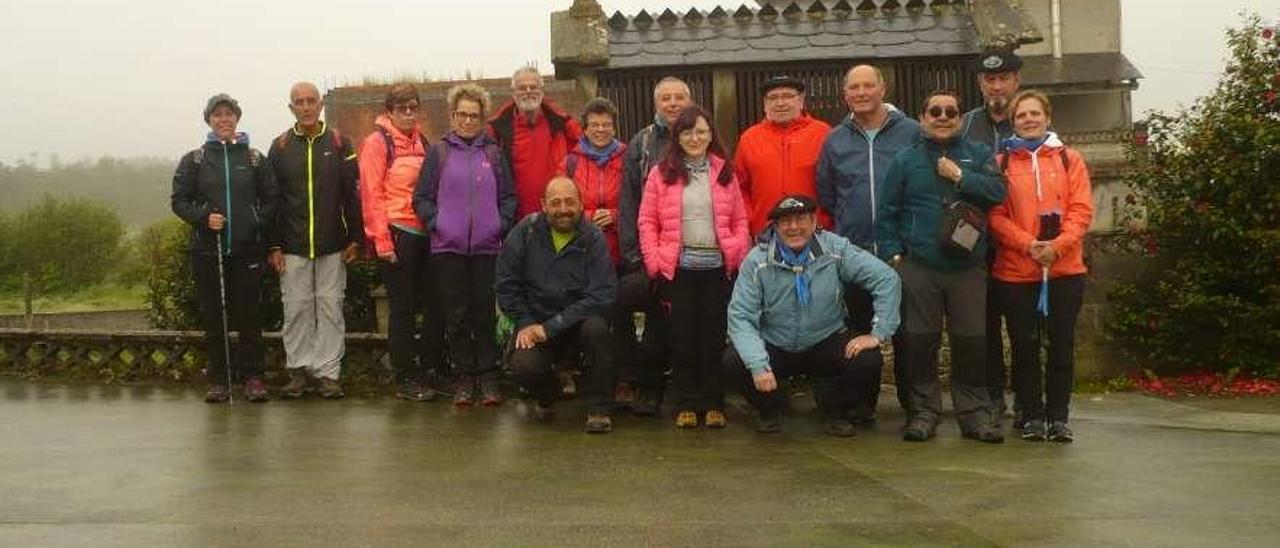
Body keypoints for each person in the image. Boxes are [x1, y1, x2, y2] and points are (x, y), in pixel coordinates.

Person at [876, 89, 1007, 443]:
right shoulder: (905, 160)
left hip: (967, 267)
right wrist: (895, 256)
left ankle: (973, 413)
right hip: (920, 267)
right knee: (920, 342)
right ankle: (923, 412)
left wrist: (961, 178)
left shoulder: (978, 155)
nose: (943, 116)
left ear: (961, 118)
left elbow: (998, 193)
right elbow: (887, 213)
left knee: (971, 342)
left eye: (951, 111)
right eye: (935, 110)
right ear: (922, 118)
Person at [726, 195, 901, 436]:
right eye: (785, 222)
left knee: (867, 359)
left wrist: (878, 333)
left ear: (814, 221)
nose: (794, 227)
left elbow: (886, 278)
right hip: (777, 342)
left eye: (801, 219)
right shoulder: (757, 261)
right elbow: (741, 317)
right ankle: (769, 408)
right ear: (775, 227)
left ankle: (836, 409)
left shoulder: (835, 249)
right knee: (735, 361)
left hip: (825, 337)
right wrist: (758, 365)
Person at [815, 64, 921, 418]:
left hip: (902, 252)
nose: (861, 93)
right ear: (845, 94)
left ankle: (915, 406)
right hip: (855, 253)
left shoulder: (912, 133)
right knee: (860, 332)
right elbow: (827, 196)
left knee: (909, 334)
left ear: (882, 89)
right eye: (854, 88)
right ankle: (863, 404)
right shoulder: (835, 140)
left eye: (868, 86)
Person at [989, 91, 1093, 443]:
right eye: (1022, 115)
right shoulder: (1001, 162)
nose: (1029, 119)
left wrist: (1057, 247)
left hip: (1064, 271)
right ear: (1013, 120)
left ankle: (1059, 416)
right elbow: (997, 216)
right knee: (1024, 346)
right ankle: (1031, 414)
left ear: (1047, 117)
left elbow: (1081, 210)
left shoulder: (1070, 160)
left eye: (1035, 113)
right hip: (1017, 272)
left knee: (1061, 345)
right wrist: (1028, 245)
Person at [638, 105, 750, 429]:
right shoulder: (661, 173)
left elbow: (740, 219)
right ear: (677, 136)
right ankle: (686, 401)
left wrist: (738, 250)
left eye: (701, 131)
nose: (694, 137)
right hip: (678, 269)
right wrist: (654, 262)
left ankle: (713, 402)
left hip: (717, 267)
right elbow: (647, 221)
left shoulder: (724, 171)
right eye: (687, 132)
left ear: (711, 134)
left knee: (713, 338)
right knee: (683, 338)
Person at [171, 93, 278, 403]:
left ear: (237, 118)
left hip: (248, 251)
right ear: (209, 120)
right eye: (217, 115)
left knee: (249, 317)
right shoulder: (195, 160)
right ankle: (218, 379)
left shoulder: (255, 158)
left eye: (229, 114)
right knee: (214, 317)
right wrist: (204, 217)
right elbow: (179, 201)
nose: (223, 119)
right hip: (208, 251)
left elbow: (272, 200)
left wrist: (255, 218)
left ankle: (254, 378)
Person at [414, 83, 516, 407]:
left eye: (474, 115)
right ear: (453, 115)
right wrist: (437, 223)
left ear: (483, 117)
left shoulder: (494, 153)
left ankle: (488, 377)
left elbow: (509, 198)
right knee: (455, 316)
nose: (468, 121)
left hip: (486, 248)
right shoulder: (439, 152)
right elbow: (422, 197)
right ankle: (463, 377)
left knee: (484, 314)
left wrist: (499, 225)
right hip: (448, 249)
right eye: (462, 114)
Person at [497, 177, 618, 432]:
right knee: (523, 365)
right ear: (543, 205)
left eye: (570, 202)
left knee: (597, 330)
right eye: (556, 203)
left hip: (579, 323)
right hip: (536, 322)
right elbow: (506, 286)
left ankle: (599, 409)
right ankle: (548, 394)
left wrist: (552, 327)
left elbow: (602, 293)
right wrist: (526, 323)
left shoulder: (593, 237)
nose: (563, 209)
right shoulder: (525, 232)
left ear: (581, 204)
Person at [266, 82, 362, 400]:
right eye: (299, 102)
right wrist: (274, 245)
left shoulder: (339, 143)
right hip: (292, 247)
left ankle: (328, 374)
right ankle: (299, 371)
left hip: (333, 245)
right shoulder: (279, 147)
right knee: (295, 310)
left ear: (321, 105)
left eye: (311, 101)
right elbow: (271, 201)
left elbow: (352, 196)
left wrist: (355, 238)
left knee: (331, 308)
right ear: (290, 107)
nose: (306, 107)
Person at [358, 83, 446, 402]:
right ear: (389, 111)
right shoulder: (377, 142)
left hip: (426, 233)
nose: (408, 113)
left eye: (413, 107)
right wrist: (382, 241)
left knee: (436, 304)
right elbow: (370, 193)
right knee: (403, 309)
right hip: (396, 233)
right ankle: (406, 375)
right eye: (401, 108)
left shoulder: (422, 141)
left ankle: (430, 368)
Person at [615, 76, 693, 415]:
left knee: (673, 322)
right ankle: (641, 382)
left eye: (679, 97)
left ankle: (673, 390)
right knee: (621, 303)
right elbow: (629, 201)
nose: (673, 103)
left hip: (690, 256)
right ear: (655, 103)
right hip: (648, 254)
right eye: (666, 98)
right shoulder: (641, 142)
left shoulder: (700, 137)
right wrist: (635, 255)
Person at [560, 98, 634, 405]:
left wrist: (616, 215)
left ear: (614, 126)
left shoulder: (628, 156)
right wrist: (589, 216)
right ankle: (584, 375)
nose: (601, 130)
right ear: (585, 128)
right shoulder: (571, 162)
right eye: (594, 125)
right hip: (583, 255)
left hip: (620, 253)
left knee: (622, 318)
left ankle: (625, 379)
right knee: (589, 321)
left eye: (606, 124)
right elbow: (561, 202)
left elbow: (639, 199)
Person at [962, 49, 1024, 417]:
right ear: (980, 83)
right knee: (983, 325)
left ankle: (1027, 396)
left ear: (1017, 80)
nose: (996, 85)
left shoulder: (1031, 120)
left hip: (1021, 240)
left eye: (1003, 78)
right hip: (978, 240)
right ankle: (991, 395)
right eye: (989, 79)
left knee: (1022, 326)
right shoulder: (966, 125)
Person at [733, 75, 832, 236]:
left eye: (787, 96)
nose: (780, 103)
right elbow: (739, 188)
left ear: (801, 101)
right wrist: (750, 220)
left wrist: (826, 220)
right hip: (765, 230)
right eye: (773, 98)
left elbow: (836, 184)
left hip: (815, 231)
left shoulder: (823, 133)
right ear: (765, 104)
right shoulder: (749, 139)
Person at [489, 66, 582, 219]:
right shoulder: (498, 131)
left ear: (542, 92)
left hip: (558, 216)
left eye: (533, 87)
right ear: (513, 94)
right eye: (522, 88)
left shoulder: (562, 125)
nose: (528, 91)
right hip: (516, 220)